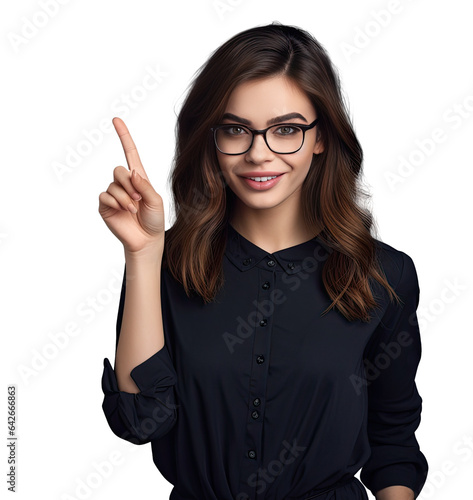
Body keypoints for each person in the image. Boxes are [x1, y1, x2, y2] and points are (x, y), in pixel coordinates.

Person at [98, 22, 428, 500]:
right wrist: (143, 255)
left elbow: (392, 436)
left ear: (321, 137)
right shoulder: (164, 264)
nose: (258, 154)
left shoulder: (385, 277)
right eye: (235, 130)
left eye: (286, 129)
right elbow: (140, 420)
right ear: (211, 137)